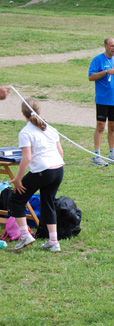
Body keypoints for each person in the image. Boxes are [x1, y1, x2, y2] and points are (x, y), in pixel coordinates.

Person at [9, 98, 65, 252]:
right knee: (48, 203)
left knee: (16, 199)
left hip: (43, 171)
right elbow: (60, 152)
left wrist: (18, 179)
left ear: (23, 113)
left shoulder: (26, 132)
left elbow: (26, 158)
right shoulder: (50, 128)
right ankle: (53, 241)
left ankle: (24, 235)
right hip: (58, 169)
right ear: (39, 111)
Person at [88, 37, 114, 167]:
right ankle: (97, 156)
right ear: (105, 46)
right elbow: (91, 77)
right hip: (102, 99)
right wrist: (105, 72)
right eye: (111, 46)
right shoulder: (98, 60)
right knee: (100, 126)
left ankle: (112, 155)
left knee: (113, 127)